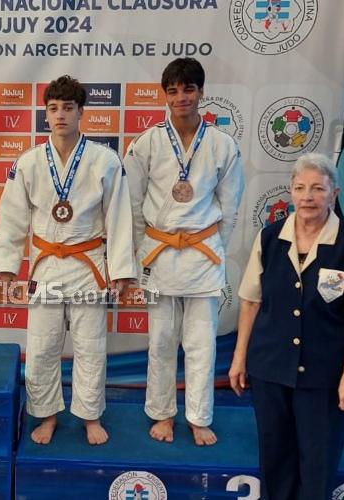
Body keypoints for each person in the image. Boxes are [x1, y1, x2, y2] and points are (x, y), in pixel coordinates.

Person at [0, 75, 136, 445]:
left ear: (80, 113)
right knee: (42, 346)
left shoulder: (105, 160)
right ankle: (47, 415)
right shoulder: (28, 163)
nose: (60, 116)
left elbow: (119, 217)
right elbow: (11, 218)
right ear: (46, 113)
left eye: (68, 108)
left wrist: (121, 271)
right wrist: (7, 267)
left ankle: (90, 416)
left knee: (90, 345)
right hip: (46, 265)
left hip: (89, 263)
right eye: (53, 108)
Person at [229, 153, 344, 500]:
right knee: (275, 461)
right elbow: (251, 302)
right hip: (270, 369)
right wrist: (239, 360)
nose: (307, 197)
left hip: (324, 376)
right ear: (291, 193)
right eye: (300, 188)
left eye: (317, 189)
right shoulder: (269, 238)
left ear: (334, 194)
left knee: (317, 465)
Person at [124, 57, 244, 446]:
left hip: (203, 256)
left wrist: (209, 245)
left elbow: (231, 207)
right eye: (173, 90)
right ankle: (162, 413)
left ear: (201, 93)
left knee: (201, 342)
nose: (181, 97)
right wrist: (147, 248)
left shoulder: (223, 145)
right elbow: (132, 203)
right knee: (160, 341)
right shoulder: (147, 143)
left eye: (189, 89)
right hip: (159, 255)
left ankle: (199, 416)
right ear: (165, 95)